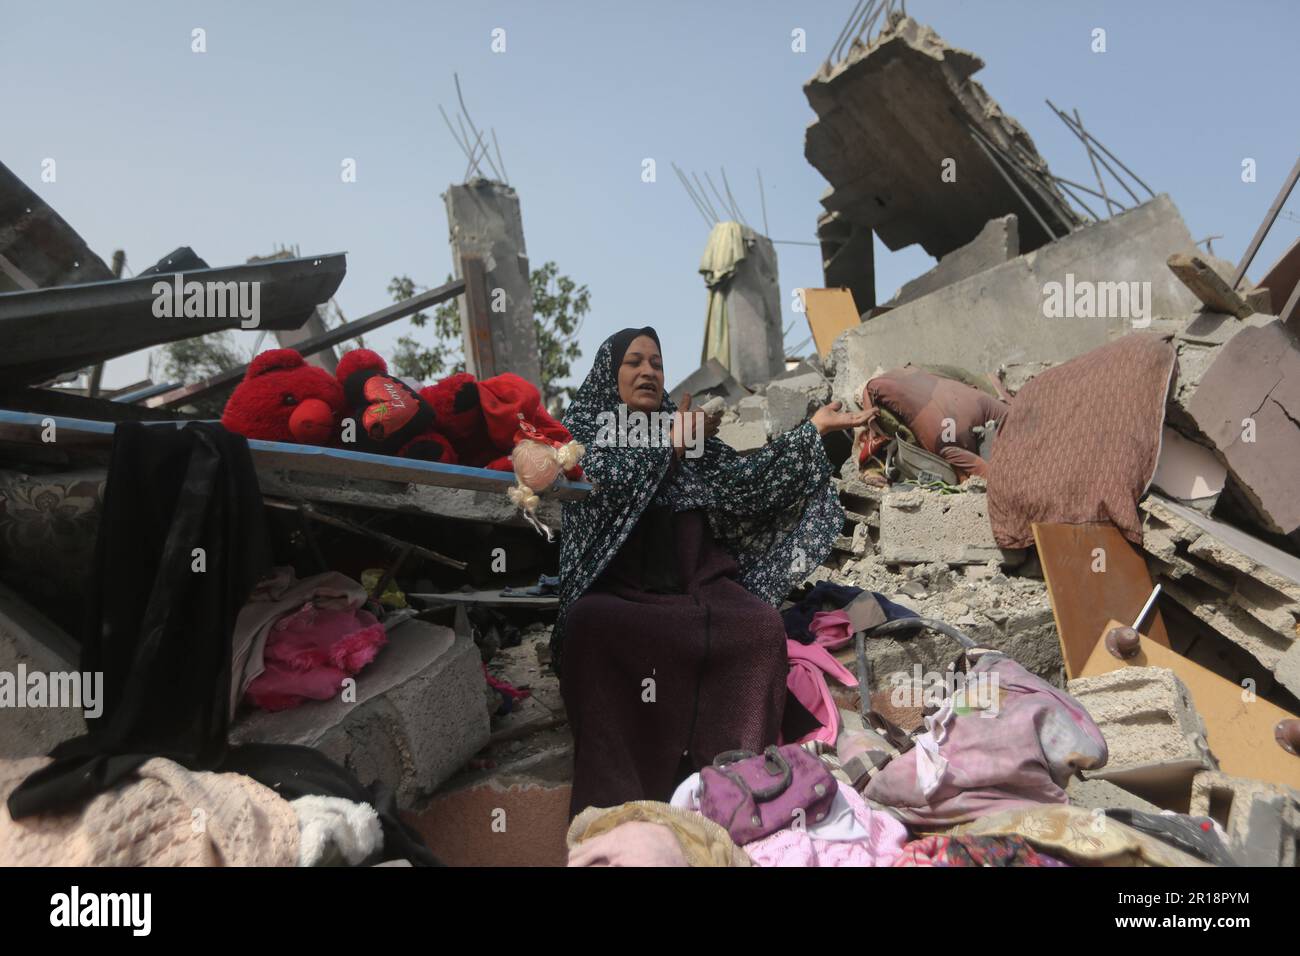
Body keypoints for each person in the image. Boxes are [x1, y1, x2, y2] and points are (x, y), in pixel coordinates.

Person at [553, 326, 867, 815]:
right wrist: (668, 449)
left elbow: (750, 480)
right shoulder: (583, 437)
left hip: (698, 591)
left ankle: (738, 787)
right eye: (634, 362)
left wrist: (814, 432)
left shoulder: (690, 435)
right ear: (608, 374)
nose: (648, 371)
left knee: (760, 629)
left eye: (656, 363)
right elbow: (600, 487)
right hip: (620, 595)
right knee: (587, 628)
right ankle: (618, 805)